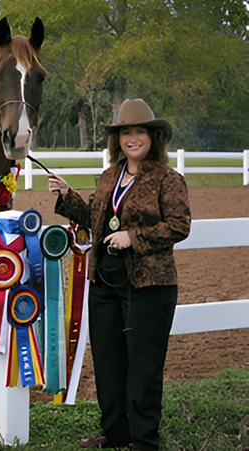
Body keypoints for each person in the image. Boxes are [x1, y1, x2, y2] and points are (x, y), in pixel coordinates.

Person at [48, 98, 191, 451]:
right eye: (126, 131)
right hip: (105, 283)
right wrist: (67, 197)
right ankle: (115, 435)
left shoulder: (168, 179)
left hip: (148, 285)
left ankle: (144, 441)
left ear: (153, 137)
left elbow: (179, 225)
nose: (133, 138)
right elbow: (97, 219)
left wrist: (134, 237)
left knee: (143, 370)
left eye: (140, 131)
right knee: (109, 367)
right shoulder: (111, 175)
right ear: (118, 139)